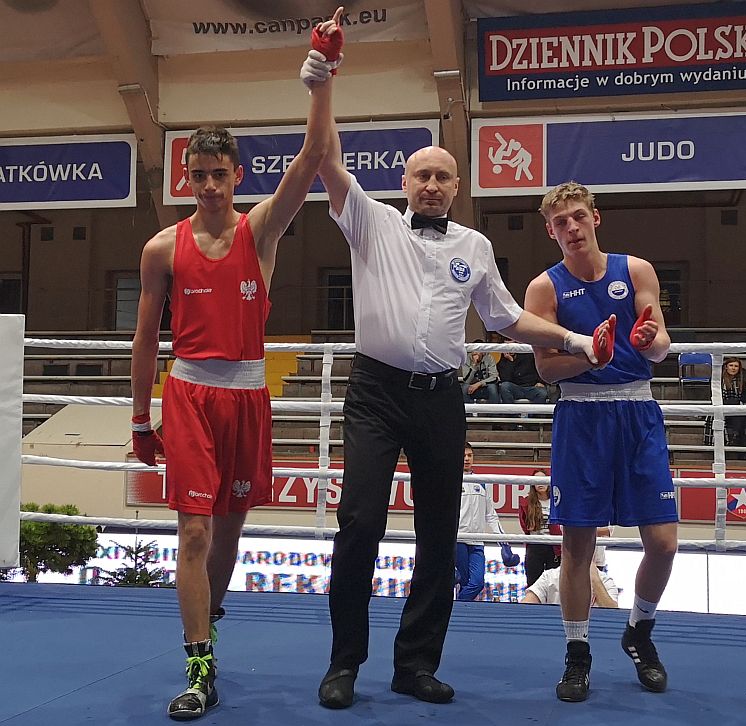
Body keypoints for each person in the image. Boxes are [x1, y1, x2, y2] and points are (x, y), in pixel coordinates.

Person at [315, 129, 614, 706]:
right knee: (358, 524)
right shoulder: (370, 221)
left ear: (456, 187)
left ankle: (416, 664)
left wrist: (576, 340)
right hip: (375, 393)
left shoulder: (474, 246)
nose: (430, 185)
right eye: (421, 175)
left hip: (439, 399)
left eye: (442, 177)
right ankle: (344, 663)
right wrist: (321, 82)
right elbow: (325, 159)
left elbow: (506, 317)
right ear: (405, 183)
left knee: (439, 535)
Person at [129, 12, 342, 720]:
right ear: (184, 175)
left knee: (228, 532)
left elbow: (313, 158)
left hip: (248, 398)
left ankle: (209, 620)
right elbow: (143, 341)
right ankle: (198, 667)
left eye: (219, 174)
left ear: (237, 175)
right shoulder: (162, 248)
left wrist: (321, 75)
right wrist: (139, 419)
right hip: (187, 393)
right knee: (191, 531)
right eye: (198, 175)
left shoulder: (262, 230)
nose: (209, 186)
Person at [524, 181, 678, 702]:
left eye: (578, 217)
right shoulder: (544, 288)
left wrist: (645, 339)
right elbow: (545, 369)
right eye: (560, 222)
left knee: (663, 543)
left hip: (638, 411)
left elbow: (659, 346)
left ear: (596, 218)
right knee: (576, 545)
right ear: (551, 231)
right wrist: (592, 355)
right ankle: (577, 653)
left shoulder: (636, 270)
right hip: (581, 418)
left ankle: (639, 631)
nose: (571, 228)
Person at [456, 442, 519, 601]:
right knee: (463, 581)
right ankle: (459, 617)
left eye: (469, 455)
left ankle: (453, 609)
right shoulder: (451, 481)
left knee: (477, 583)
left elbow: (491, 515)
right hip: (458, 539)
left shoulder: (481, 481)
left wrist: (504, 544)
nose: (466, 459)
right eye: (463, 455)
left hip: (477, 541)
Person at [518, 471, 557, 587]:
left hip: (554, 546)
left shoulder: (556, 501)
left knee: (554, 584)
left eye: (542, 480)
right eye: (536, 480)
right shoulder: (526, 502)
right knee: (533, 583)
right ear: (532, 484)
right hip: (535, 545)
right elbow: (524, 525)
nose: (540, 483)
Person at [522, 563, 618, 608]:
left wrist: (595, 580)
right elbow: (524, 608)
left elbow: (613, 615)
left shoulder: (605, 581)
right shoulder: (549, 576)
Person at [703, 357, 746, 446]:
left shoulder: (742, 379)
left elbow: (745, 395)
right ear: (726, 367)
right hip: (722, 404)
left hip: (737, 407)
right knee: (734, 404)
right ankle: (734, 436)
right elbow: (715, 395)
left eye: (736, 366)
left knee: (739, 409)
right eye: (731, 365)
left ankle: (736, 436)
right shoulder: (717, 379)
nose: (733, 368)